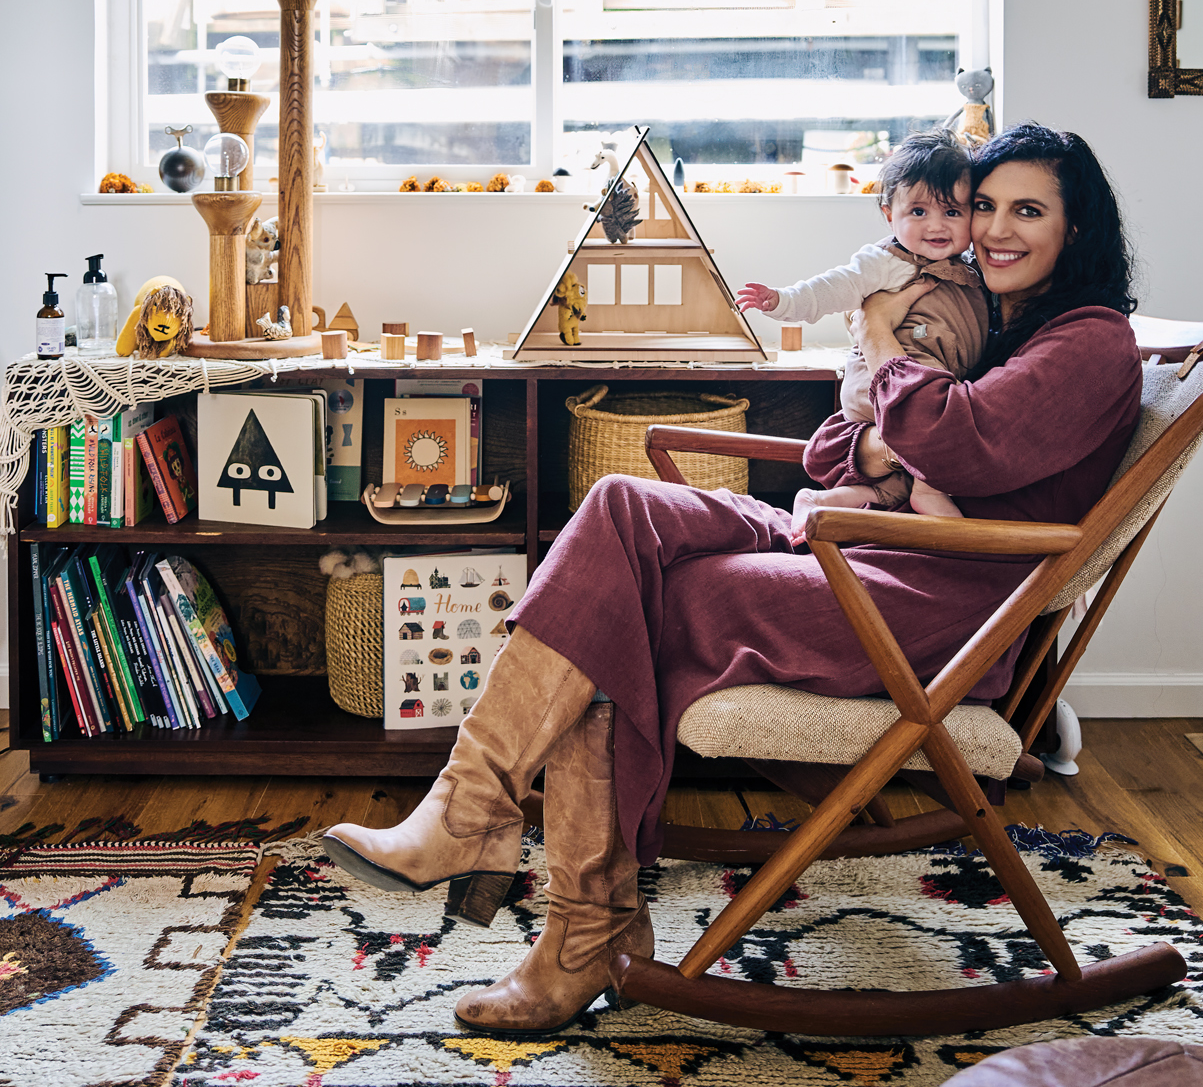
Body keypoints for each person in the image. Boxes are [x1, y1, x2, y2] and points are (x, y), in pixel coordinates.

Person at [323, 123, 1142, 1038]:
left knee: (622, 606)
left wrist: (878, 332)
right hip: (854, 539)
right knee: (621, 506)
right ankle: (469, 808)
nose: (993, 227)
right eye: (982, 204)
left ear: (1079, 230)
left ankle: (573, 929)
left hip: (933, 611)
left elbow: (953, 441)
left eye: (1027, 209)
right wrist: (892, 420)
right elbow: (845, 441)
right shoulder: (992, 321)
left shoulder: (1090, 343)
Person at [737, 129, 987, 523]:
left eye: (952, 212)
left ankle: (820, 503)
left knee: (890, 488)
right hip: (878, 381)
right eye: (918, 212)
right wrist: (783, 300)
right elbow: (834, 287)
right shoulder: (887, 262)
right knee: (936, 417)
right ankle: (930, 489)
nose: (936, 225)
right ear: (890, 214)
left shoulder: (972, 271)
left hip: (917, 383)